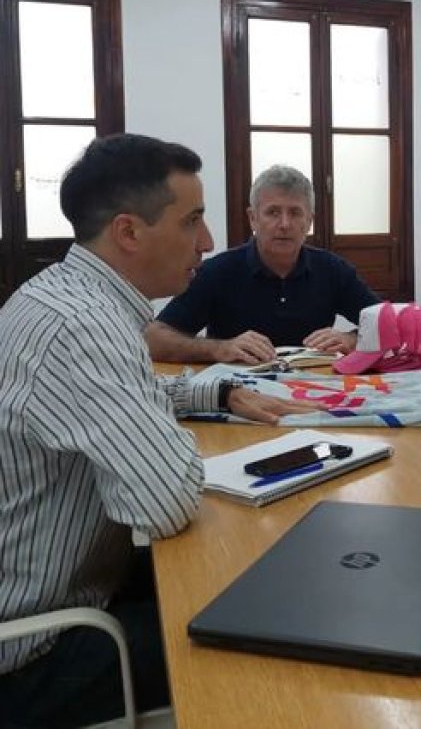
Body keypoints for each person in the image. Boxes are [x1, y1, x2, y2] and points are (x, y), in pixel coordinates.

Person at [0, 135, 317, 728]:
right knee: (276, 625)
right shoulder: (83, 328)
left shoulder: (62, 298)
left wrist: (218, 390)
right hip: (36, 653)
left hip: (63, 590)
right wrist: (167, 432)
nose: (208, 241)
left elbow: (114, 396)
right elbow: (167, 499)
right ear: (128, 232)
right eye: (193, 220)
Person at [145, 164, 380, 365]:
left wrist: (351, 340)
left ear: (309, 222)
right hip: (237, 394)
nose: (285, 224)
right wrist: (218, 348)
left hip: (314, 391)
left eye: (295, 213)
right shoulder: (217, 272)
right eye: (273, 212)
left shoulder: (333, 270)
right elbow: (153, 338)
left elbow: (390, 324)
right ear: (253, 218)